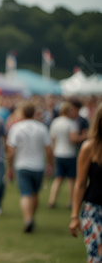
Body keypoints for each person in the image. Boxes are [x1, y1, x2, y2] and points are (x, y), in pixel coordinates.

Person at [7, 102, 54, 232]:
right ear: (34, 113)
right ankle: (31, 217)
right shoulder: (42, 128)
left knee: (25, 194)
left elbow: (11, 151)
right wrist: (51, 164)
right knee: (34, 193)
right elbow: (49, 150)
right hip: (38, 166)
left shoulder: (16, 128)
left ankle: (28, 220)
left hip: (22, 165)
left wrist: (9, 167)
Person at [69, 102, 102, 262]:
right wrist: (74, 215)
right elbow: (80, 183)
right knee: (96, 257)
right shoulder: (89, 147)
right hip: (94, 210)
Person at [48, 101, 86, 209]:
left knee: (58, 178)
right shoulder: (71, 123)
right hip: (69, 153)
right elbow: (73, 139)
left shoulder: (55, 122)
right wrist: (84, 136)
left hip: (58, 153)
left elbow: (53, 139)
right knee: (71, 179)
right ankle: (71, 201)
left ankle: (52, 200)